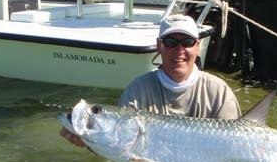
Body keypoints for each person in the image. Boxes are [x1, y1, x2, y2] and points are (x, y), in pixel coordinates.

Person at [61, 14, 242, 147]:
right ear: (159, 46)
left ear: (198, 46)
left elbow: (235, 146)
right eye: (170, 42)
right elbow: (122, 146)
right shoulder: (138, 90)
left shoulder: (219, 91)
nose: (179, 49)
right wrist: (90, 144)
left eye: (187, 42)